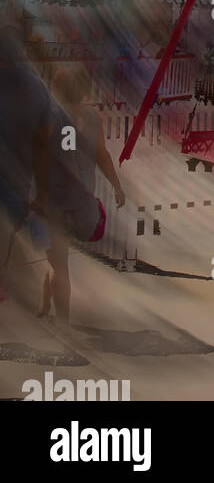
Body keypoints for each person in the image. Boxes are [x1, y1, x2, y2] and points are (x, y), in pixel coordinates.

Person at [38, 67, 125, 324]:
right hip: (82, 202)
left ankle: (61, 320)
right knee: (61, 261)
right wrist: (117, 186)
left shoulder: (50, 116)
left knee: (59, 263)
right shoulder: (92, 117)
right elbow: (102, 155)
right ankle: (54, 308)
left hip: (55, 199)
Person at [0, 29, 52, 305]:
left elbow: (43, 144)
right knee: (17, 230)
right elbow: (43, 144)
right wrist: (42, 193)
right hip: (21, 180)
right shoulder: (36, 88)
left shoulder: (30, 89)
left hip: (14, 179)